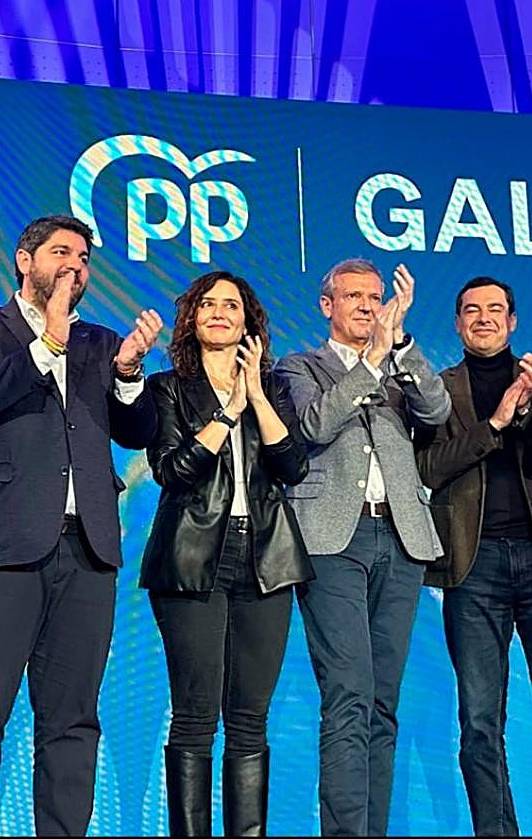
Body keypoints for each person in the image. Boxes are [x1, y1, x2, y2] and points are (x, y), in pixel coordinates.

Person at [0, 214, 162, 837]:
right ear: (23, 259)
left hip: (87, 552)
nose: (74, 266)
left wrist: (128, 374)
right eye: (61, 252)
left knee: (72, 723)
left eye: (84, 259)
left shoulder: (101, 343)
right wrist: (48, 343)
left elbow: (137, 433)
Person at [415, 276, 532, 836]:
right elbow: (428, 468)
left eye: (496, 309)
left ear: (513, 321)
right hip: (473, 567)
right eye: (472, 310)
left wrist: (530, 406)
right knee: (479, 725)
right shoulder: (439, 390)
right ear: (457, 323)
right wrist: (493, 425)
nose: (484, 318)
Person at [276, 258, 451, 837]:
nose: (367, 307)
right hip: (333, 540)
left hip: (400, 538)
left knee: (382, 701)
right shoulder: (300, 366)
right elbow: (313, 426)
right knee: (348, 693)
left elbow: (437, 410)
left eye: (375, 297)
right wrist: (372, 360)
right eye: (353, 296)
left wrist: (399, 345)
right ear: (327, 305)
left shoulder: (399, 363)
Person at [141, 271, 310, 837]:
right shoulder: (168, 388)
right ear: (192, 319)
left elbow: (293, 467)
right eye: (207, 304)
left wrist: (255, 396)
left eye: (231, 305)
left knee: (250, 719)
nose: (219, 312)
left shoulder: (274, 388)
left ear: (248, 322)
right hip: (190, 561)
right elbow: (173, 471)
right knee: (194, 716)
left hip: (267, 558)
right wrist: (227, 411)